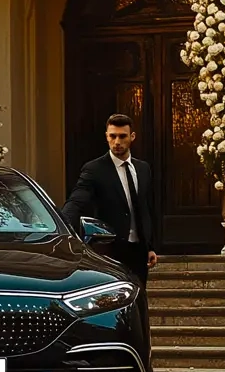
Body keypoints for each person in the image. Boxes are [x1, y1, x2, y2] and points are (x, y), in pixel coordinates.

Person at [64, 113, 160, 270]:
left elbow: (146, 208)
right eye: (113, 136)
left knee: (140, 293)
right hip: (109, 252)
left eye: (122, 136)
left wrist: (150, 246)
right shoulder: (94, 169)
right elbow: (76, 201)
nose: (117, 142)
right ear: (106, 136)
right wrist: (63, 226)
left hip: (139, 251)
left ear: (132, 136)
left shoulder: (143, 169)